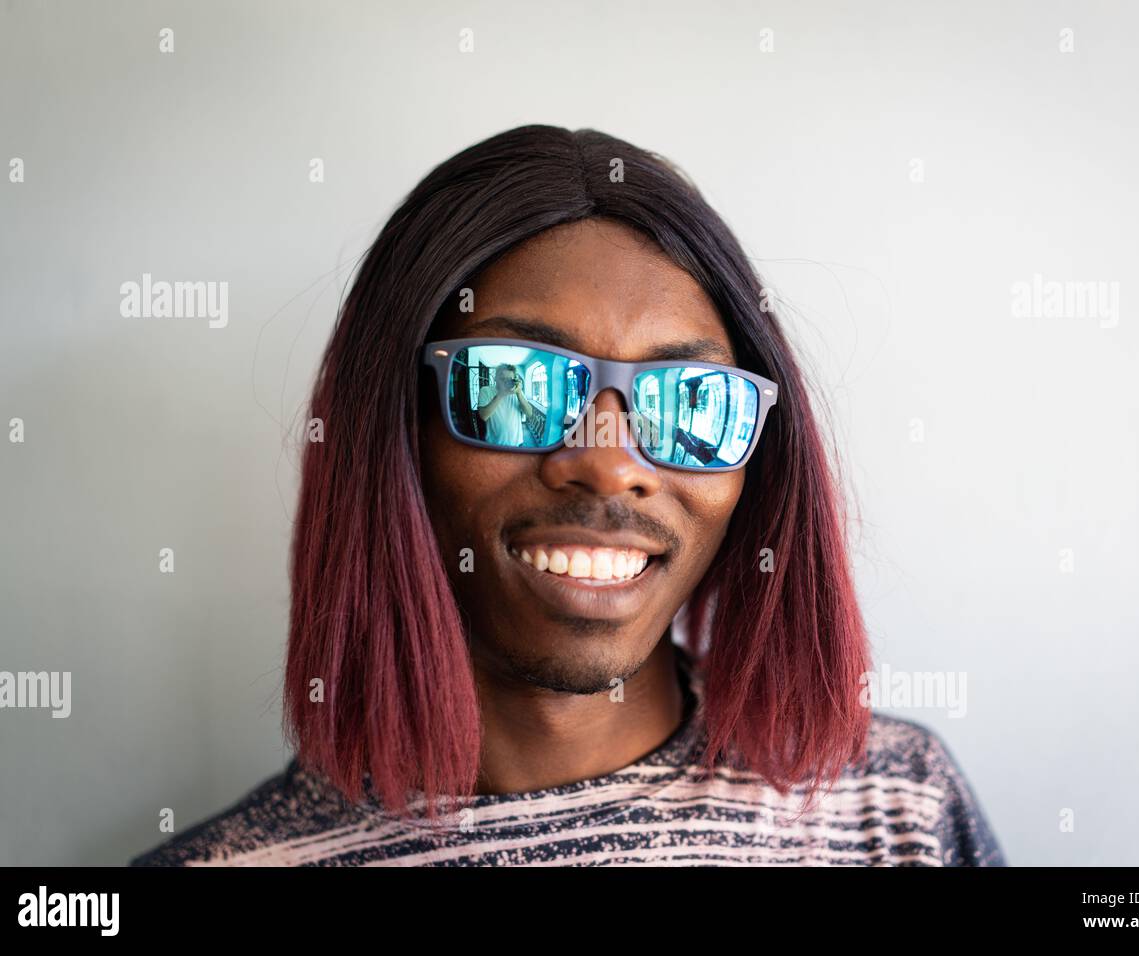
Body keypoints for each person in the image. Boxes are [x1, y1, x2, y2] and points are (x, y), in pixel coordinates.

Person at [129, 125, 1005, 866]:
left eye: (691, 400)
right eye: (514, 384)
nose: (607, 462)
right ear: (392, 433)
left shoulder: (897, 814)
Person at [477, 363, 528, 446]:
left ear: (513, 380)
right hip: (494, 444)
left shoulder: (517, 392)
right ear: (495, 378)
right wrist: (501, 394)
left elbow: (529, 413)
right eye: (502, 379)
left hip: (517, 443)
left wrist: (519, 393)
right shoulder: (486, 390)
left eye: (509, 379)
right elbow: (483, 416)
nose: (505, 382)